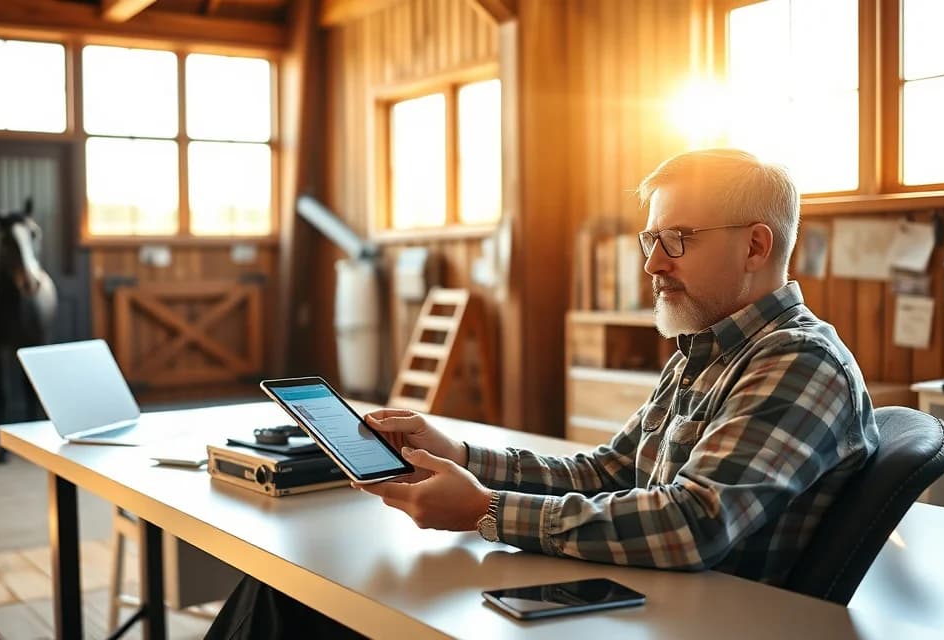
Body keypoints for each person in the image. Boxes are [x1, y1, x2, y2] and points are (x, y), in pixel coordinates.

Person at [204, 149, 879, 639]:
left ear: (756, 246)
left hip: (690, 622)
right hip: (644, 604)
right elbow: (607, 473)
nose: (652, 264)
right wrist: (460, 455)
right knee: (289, 590)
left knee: (299, 605)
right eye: (651, 239)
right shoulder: (707, 350)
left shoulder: (797, 362)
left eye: (676, 240)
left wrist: (486, 510)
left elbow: (692, 524)